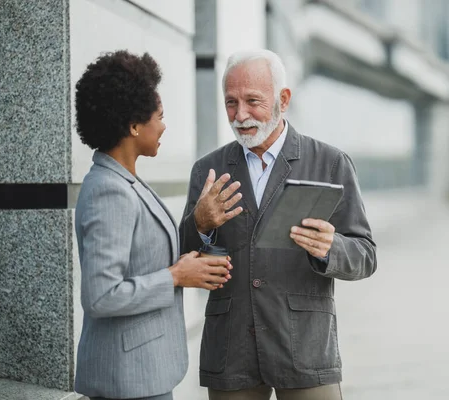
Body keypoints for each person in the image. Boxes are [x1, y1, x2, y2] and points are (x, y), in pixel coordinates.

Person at [179, 49, 377, 400]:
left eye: (253, 101)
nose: (240, 115)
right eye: (230, 103)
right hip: (231, 350)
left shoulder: (330, 163)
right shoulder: (207, 170)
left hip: (304, 348)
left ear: (283, 100)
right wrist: (200, 223)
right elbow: (184, 256)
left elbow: (365, 255)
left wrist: (331, 248)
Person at [73, 50, 233, 400]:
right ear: (133, 125)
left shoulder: (125, 181)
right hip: (127, 382)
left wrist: (200, 227)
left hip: (143, 374)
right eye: (159, 117)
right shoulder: (109, 192)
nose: (163, 126)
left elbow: (146, 256)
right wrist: (177, 276)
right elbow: (100, 296)